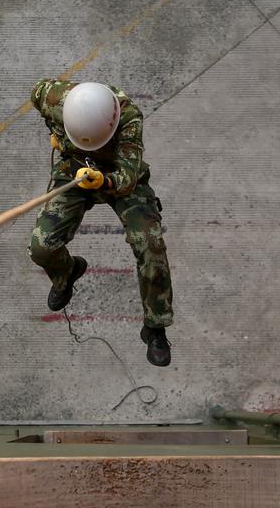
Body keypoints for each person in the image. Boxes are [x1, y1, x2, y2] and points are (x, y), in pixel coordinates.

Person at [28, 79, 173, 366]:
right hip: (73, 166)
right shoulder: (51, 96)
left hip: (117, 174)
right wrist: (56, 135)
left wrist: (103, 181)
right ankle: (66, 273)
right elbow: (35, 96)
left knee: (151, 245)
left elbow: (128, 176)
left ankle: (155, 326)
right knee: (41, 248)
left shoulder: (128, 117)